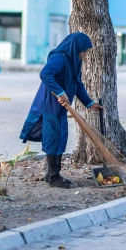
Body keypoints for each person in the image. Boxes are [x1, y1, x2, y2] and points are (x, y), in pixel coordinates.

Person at [20, 32, 101, 188]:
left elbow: (77, 84)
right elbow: (45, 74)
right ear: (75, 47)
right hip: (49, 103)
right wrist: (60, 91)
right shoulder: (60, 58)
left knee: (60, 137)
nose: (84, 55)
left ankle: (54, 174)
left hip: (61, 105)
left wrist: (89, 103)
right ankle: (52, 176)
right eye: (83, 51)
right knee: (53, 137)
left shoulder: (74, 61)